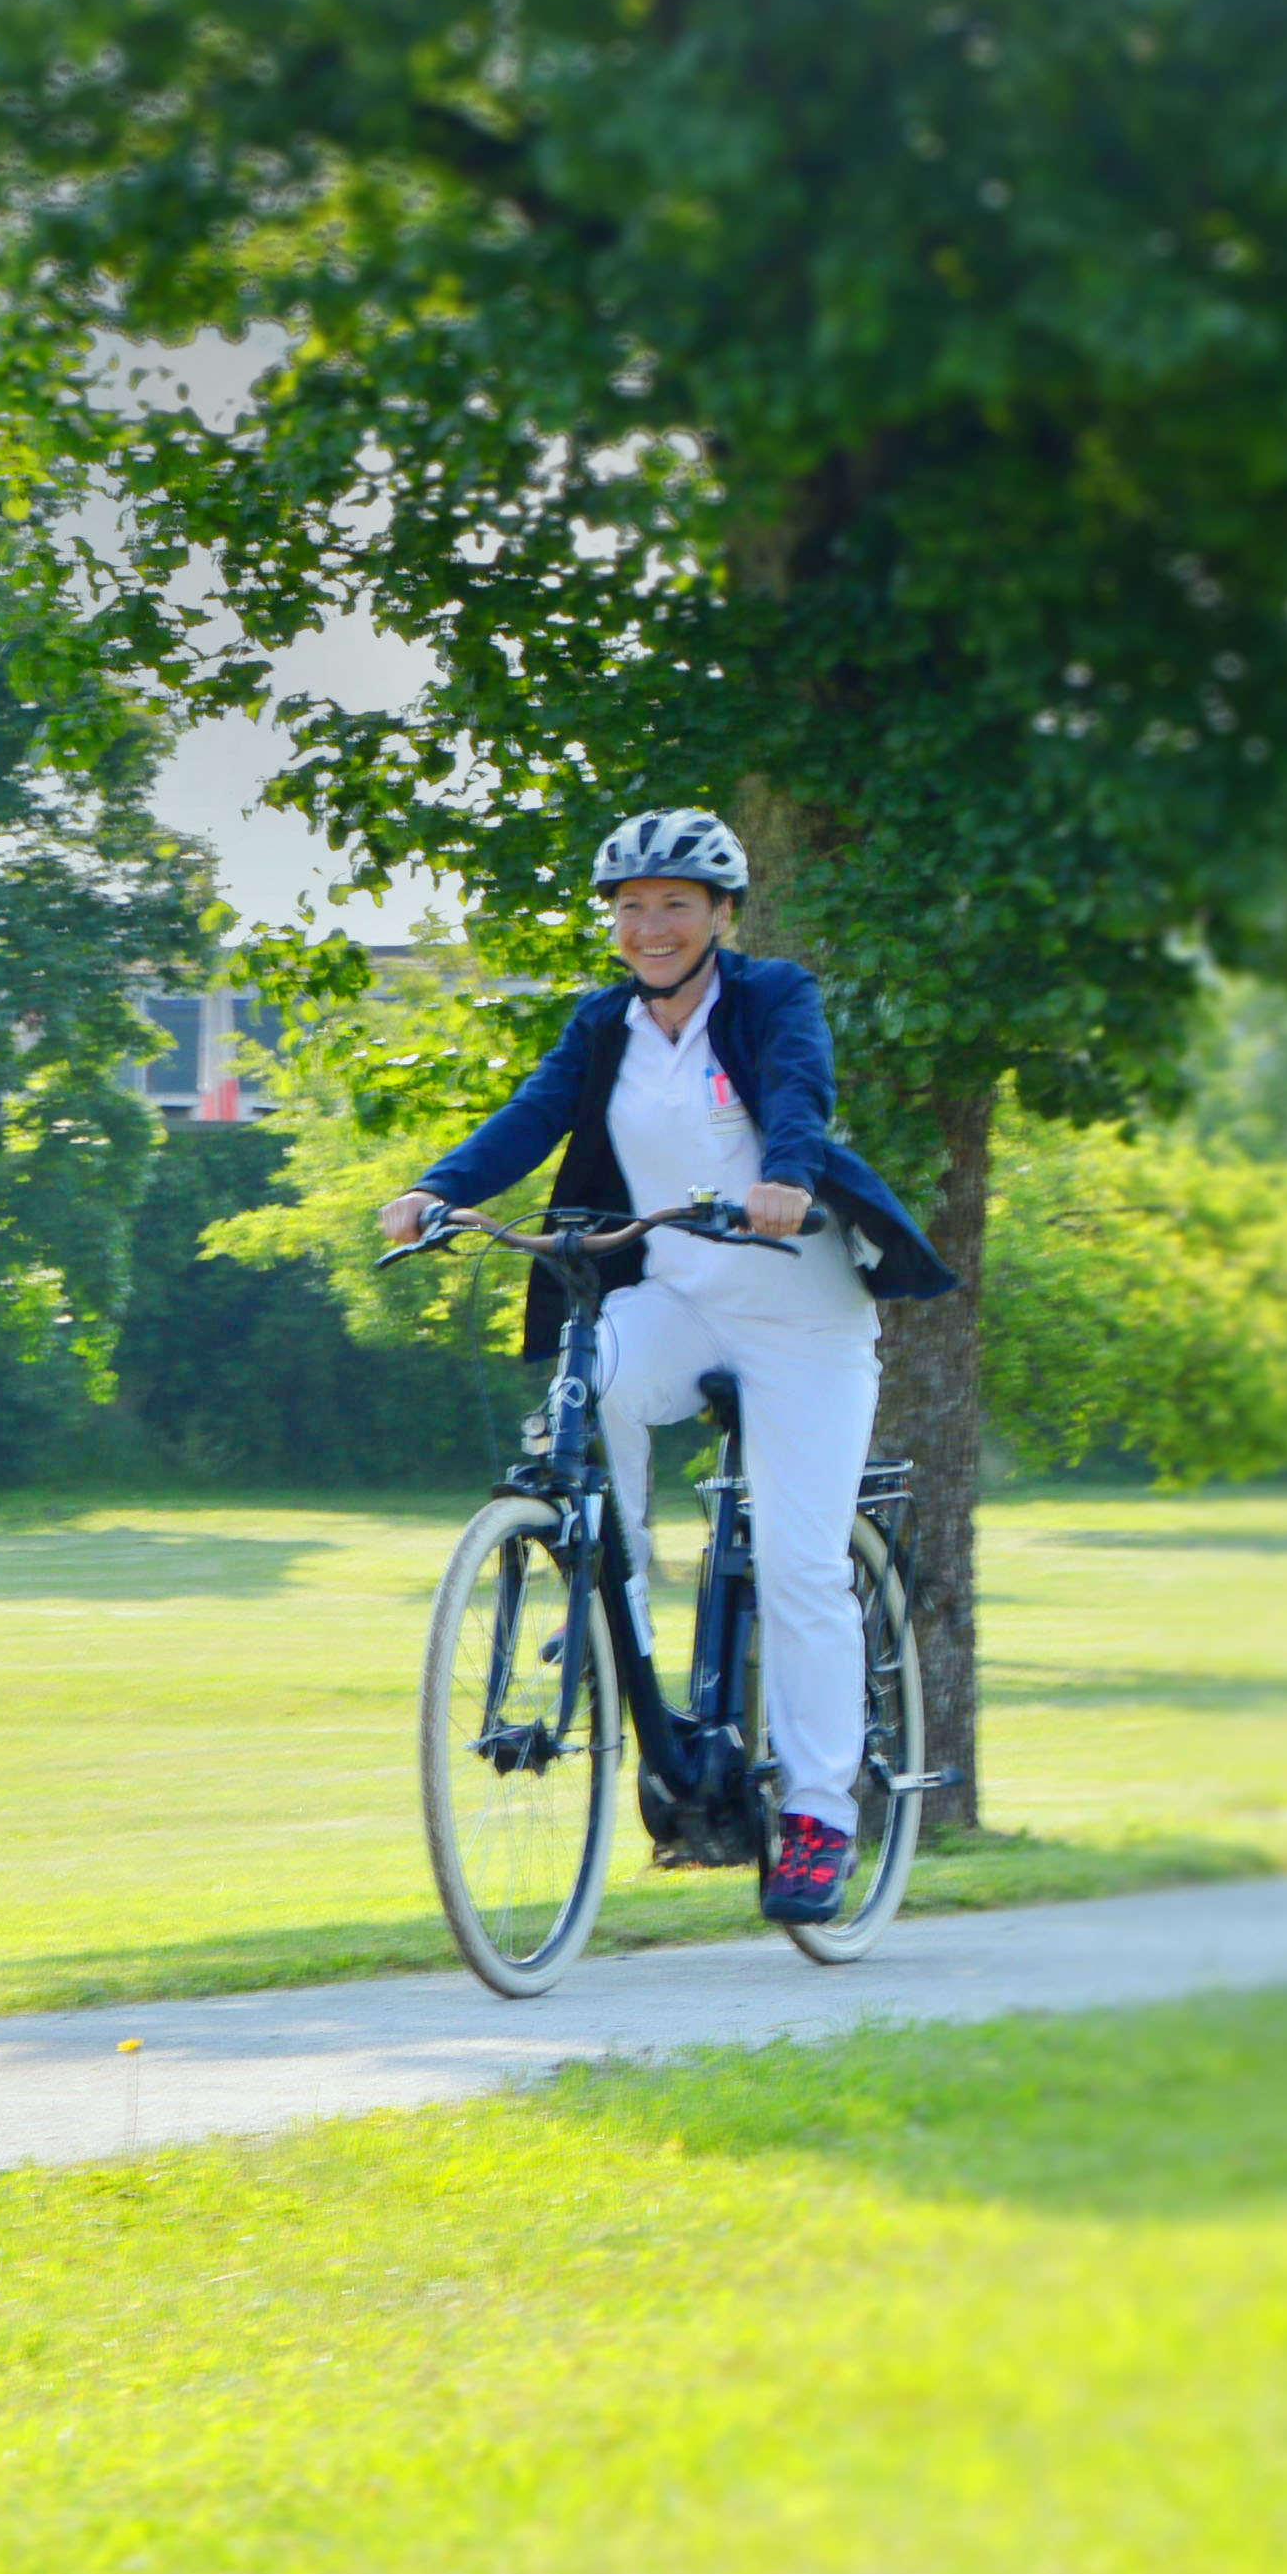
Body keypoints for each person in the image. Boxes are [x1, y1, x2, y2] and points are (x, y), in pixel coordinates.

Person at [377, 809, 961, 1922]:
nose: (650, 926)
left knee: (797, 1567)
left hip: (801, 1317)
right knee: (585, 1386)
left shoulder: (772, 996)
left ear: (721, 915)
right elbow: (532, 1117)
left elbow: (799, 1091)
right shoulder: (604, 1025)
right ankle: (611, 1603)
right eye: (631, 907)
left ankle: (821, 1817)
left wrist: (784, 1177)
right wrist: (439, 1189)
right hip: (682, 1302)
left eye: (675, 905)